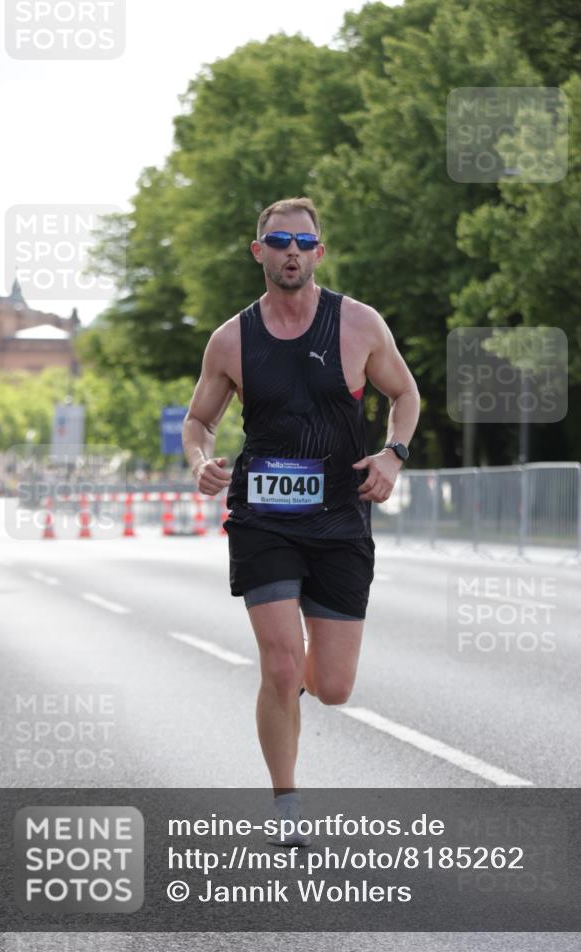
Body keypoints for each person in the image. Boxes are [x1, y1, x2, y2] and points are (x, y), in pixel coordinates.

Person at [182, 197, 420, 841]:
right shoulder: (231, 339)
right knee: (282, 667)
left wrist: (393, 455)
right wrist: (200, 460)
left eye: (304, 243)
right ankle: (286, 802)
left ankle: (297, 676)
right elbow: (198, 420)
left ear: (319, 252)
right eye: (280, 241)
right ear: (258, 251)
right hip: (262, 517)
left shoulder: (359, 324)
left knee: (333, 686)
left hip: (340, 517)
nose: (293, 252)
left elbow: (405, 393)